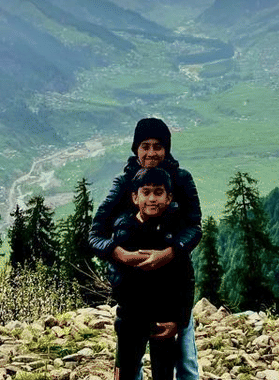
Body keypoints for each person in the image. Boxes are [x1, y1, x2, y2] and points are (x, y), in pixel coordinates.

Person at [89, 117, 202, 379]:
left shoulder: (181, 180)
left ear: (167, 149)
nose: (152, 152)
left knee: (182, 357)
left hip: (170, 283)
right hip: (133, 291)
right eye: (145, 145)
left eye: (158, 146)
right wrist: (118, 253)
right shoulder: (125, 182)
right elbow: (96, 233)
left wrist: (171, 252)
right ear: (135, 149)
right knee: (129, 360)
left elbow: (195, 227)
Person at [110, 168, 194, 380]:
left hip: (164, 318)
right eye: (146, 192)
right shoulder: (124, 230)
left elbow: (185, 280)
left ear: (169, 198)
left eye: (158, 193)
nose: (152, 199)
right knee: (127, 371)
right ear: (134, 197)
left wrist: (179, 320)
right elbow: (117, 277)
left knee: (164, 372)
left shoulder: (174, 234)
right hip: (131, 319)